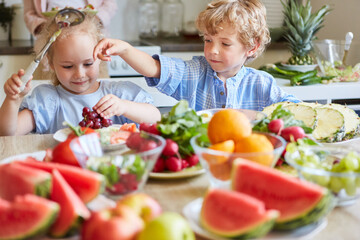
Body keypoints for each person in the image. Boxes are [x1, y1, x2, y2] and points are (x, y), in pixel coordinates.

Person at [93, 0, 300, 112]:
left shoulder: (261, 83)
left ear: (252, 47)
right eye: (208, 40)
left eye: (225, 43)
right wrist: (125, 49)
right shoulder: (195, 73)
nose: (212, 50)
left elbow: (295, 111)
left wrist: (258, 115)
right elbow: (155, 67)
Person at [0, 14, 160, 136]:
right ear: (50, 62)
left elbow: (156, 118)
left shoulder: (119, 93)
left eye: (88, 64)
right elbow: (8, 134)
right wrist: (13, 99)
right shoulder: (47, 100)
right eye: (68, 66)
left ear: (100, 56)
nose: (79, 74)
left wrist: (125, 106)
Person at [23, 0, 117, 36]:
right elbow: (29, 14)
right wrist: (49, 28)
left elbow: (110, 5)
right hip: (51, 42)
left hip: (92, 38)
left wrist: (92, 22)